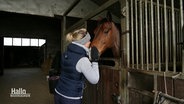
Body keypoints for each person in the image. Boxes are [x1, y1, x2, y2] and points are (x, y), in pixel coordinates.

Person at [54, 28, 100, 104]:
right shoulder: (83, 60)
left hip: (58, 92)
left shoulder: (66, 53)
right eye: (88, 40)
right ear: (84, 42)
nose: (90, 42)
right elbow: (94, 80)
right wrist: (95, 61)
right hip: (71, 98)